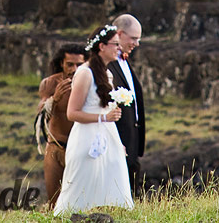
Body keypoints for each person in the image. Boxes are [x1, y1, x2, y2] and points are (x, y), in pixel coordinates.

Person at [54, 25, 133, 215]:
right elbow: (72, 113)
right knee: (80, 185)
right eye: (115, 44)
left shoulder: (107, 73)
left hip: (107, 134)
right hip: (86, 135)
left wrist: (116, 137)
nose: (119, 48)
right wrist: (104, 117)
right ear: (102, 46)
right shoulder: (85, 73)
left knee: (115, 177)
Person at [37, 44, 87, 207]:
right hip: (56, 147)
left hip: (81, 149)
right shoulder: (50, 83)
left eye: (79, 65)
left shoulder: (91, 83)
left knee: (83, 202)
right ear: (61, 63)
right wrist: (55, 99)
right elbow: (41, 114)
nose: (74, 69)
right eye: (70, 64)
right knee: (54, 202)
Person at [107, 14, 146, 192]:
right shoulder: (106, 65)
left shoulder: (124, 60)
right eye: (134, 38)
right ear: (120, 34)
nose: (137, 44)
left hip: (133, 137)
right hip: (118, 137)